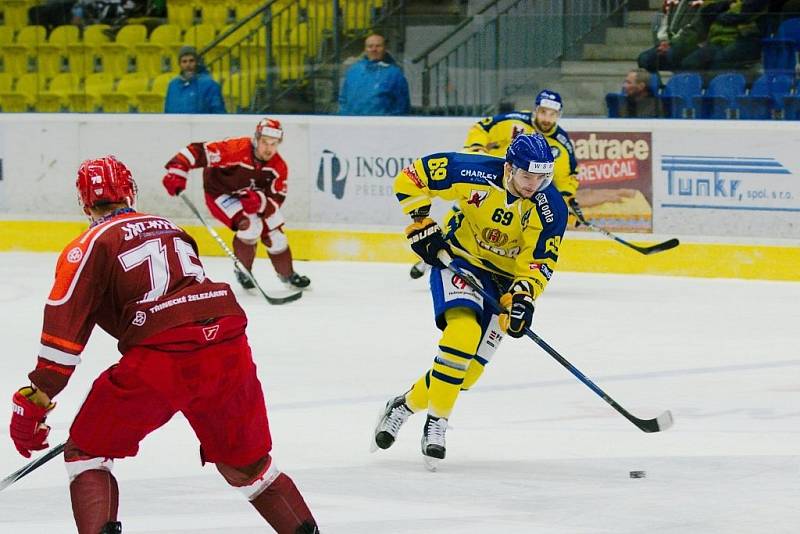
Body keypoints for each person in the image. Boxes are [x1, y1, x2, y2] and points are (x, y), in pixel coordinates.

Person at [7, 156, 318, 534]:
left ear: (84, 203)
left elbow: (62, 332)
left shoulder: (88, 244)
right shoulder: (170, 228)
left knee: (86, 452)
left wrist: (37, 399)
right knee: (249, 467)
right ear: (131, 191)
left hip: (161, 359)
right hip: (227, 344)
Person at [373, 134, 568, 470]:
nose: (534, 185)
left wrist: (523, 298)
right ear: (509, 167)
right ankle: (437, 423)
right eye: (527, 176)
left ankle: (403, 406)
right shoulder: (471, 171)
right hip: (459, 261)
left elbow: (537, 263)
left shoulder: (551, 210)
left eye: (542, 178)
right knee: (460, 336)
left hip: (504, 283)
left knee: (466, 374)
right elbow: (411, 177)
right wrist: (422, 222)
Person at [409, 89, 579, 280]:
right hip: (487, 182)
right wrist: (476, 148)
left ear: (559, 115)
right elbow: (481, 128)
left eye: (553, 114)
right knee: (461, 217)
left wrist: (568, 198)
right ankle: (434, 255)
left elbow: (567, 177)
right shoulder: (514, 121)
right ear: (535, 110)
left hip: (518, 193)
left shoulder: (562, 144)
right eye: (543, 112)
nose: (547, 118)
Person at [162, 118, 311, 290]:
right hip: (219, 194)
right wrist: (177, 170)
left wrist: (260, 203)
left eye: (274, 144)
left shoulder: (278, 167)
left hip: (250, 201)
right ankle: (243, 271)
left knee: (276, 236)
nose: (268, 148)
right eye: (264, 142)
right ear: (256, 138)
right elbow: (196, 151)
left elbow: (276, 199)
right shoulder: (234, 149)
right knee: (249, 226)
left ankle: (288, 275)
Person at [679, 0, 770, 72]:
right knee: (689, 63)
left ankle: (718, 93)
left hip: (743, 39)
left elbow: (743, 12)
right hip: (717, 40)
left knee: (719, 63)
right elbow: (707, 10)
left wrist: (720, 15)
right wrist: (727, 4)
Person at [338, 33, 410, 116]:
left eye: (378, 46)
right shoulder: (354, 70)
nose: (374, 49)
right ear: (365, 49)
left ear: (385, 48)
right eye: (370, 46)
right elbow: (343, 99)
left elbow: (402, 106)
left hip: (380, 125)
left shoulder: (395, 74)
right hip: (353, 124)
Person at [637, 0, 712, 73]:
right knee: (644, 58)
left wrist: (671, 44)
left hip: (692, 45)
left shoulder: (704, 3)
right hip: (670, 44)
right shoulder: (673, 2)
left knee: (672, 54)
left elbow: (694, 31)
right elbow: (663, 24)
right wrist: (662, 42)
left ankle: (680, 83)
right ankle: (656, 84)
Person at [164, 46, 226, 114]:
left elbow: (218, 112)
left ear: (196, 62)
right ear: (179, 64)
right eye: (184, 61)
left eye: (191, 61)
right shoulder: (172, 85)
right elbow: (167, 111)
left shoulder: (209, 84)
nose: (188, 64)